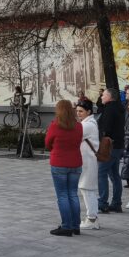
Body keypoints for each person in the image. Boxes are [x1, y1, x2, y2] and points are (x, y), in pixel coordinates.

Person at [44, 100, 83, 236]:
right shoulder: (79, 126)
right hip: (76, 162)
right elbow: (78, 141)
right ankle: (76, 225)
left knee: (62, 195)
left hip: (59, 162)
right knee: (73, 193)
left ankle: (66, 226)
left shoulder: (55, 126)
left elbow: (48, 143)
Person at [96, 89, 125, 213]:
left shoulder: (109, 109)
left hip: (109, 145)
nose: (101, 97)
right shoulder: (119, 107)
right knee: (114, 175)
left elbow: (106, 128)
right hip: (118, 145)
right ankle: (116, 202)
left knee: (101, 173)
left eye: (103, 95)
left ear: (110, 97)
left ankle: (103, 203)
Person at [76, 99, 101, 231]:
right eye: (77, 111)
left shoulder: (88, 125)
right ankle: (92, 217)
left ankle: (92, 218)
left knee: (87, 189)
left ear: (89, 111)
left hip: (88, 161)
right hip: (86, 160)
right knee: (86, 189)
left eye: (81, 111)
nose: (78, 113)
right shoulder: (88, 123)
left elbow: (74, 135)